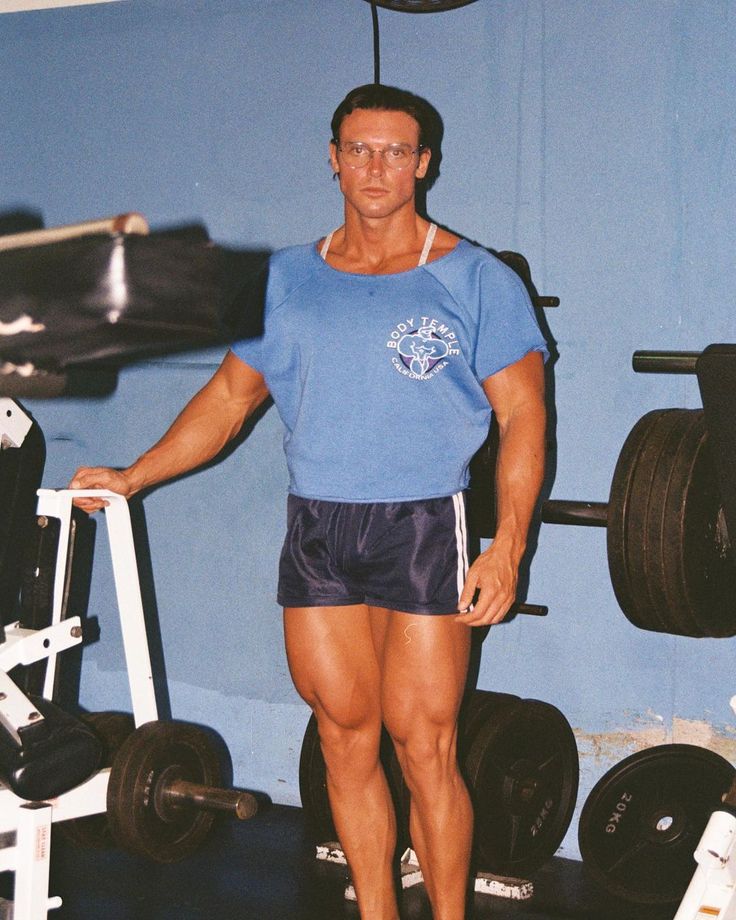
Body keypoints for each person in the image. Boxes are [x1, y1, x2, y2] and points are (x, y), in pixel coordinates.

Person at [70, 84, 547, 920]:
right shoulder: (284, 278)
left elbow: (524, 418)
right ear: (333, 158)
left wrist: (506, 544)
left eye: (396, 150)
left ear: (423, 164)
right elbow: (227, 401)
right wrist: (134, 475)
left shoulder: (476, 278)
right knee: (342, 738)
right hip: (320, 526)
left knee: (425, 745)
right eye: (359, 148)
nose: (377, 166)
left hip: (424, 524)